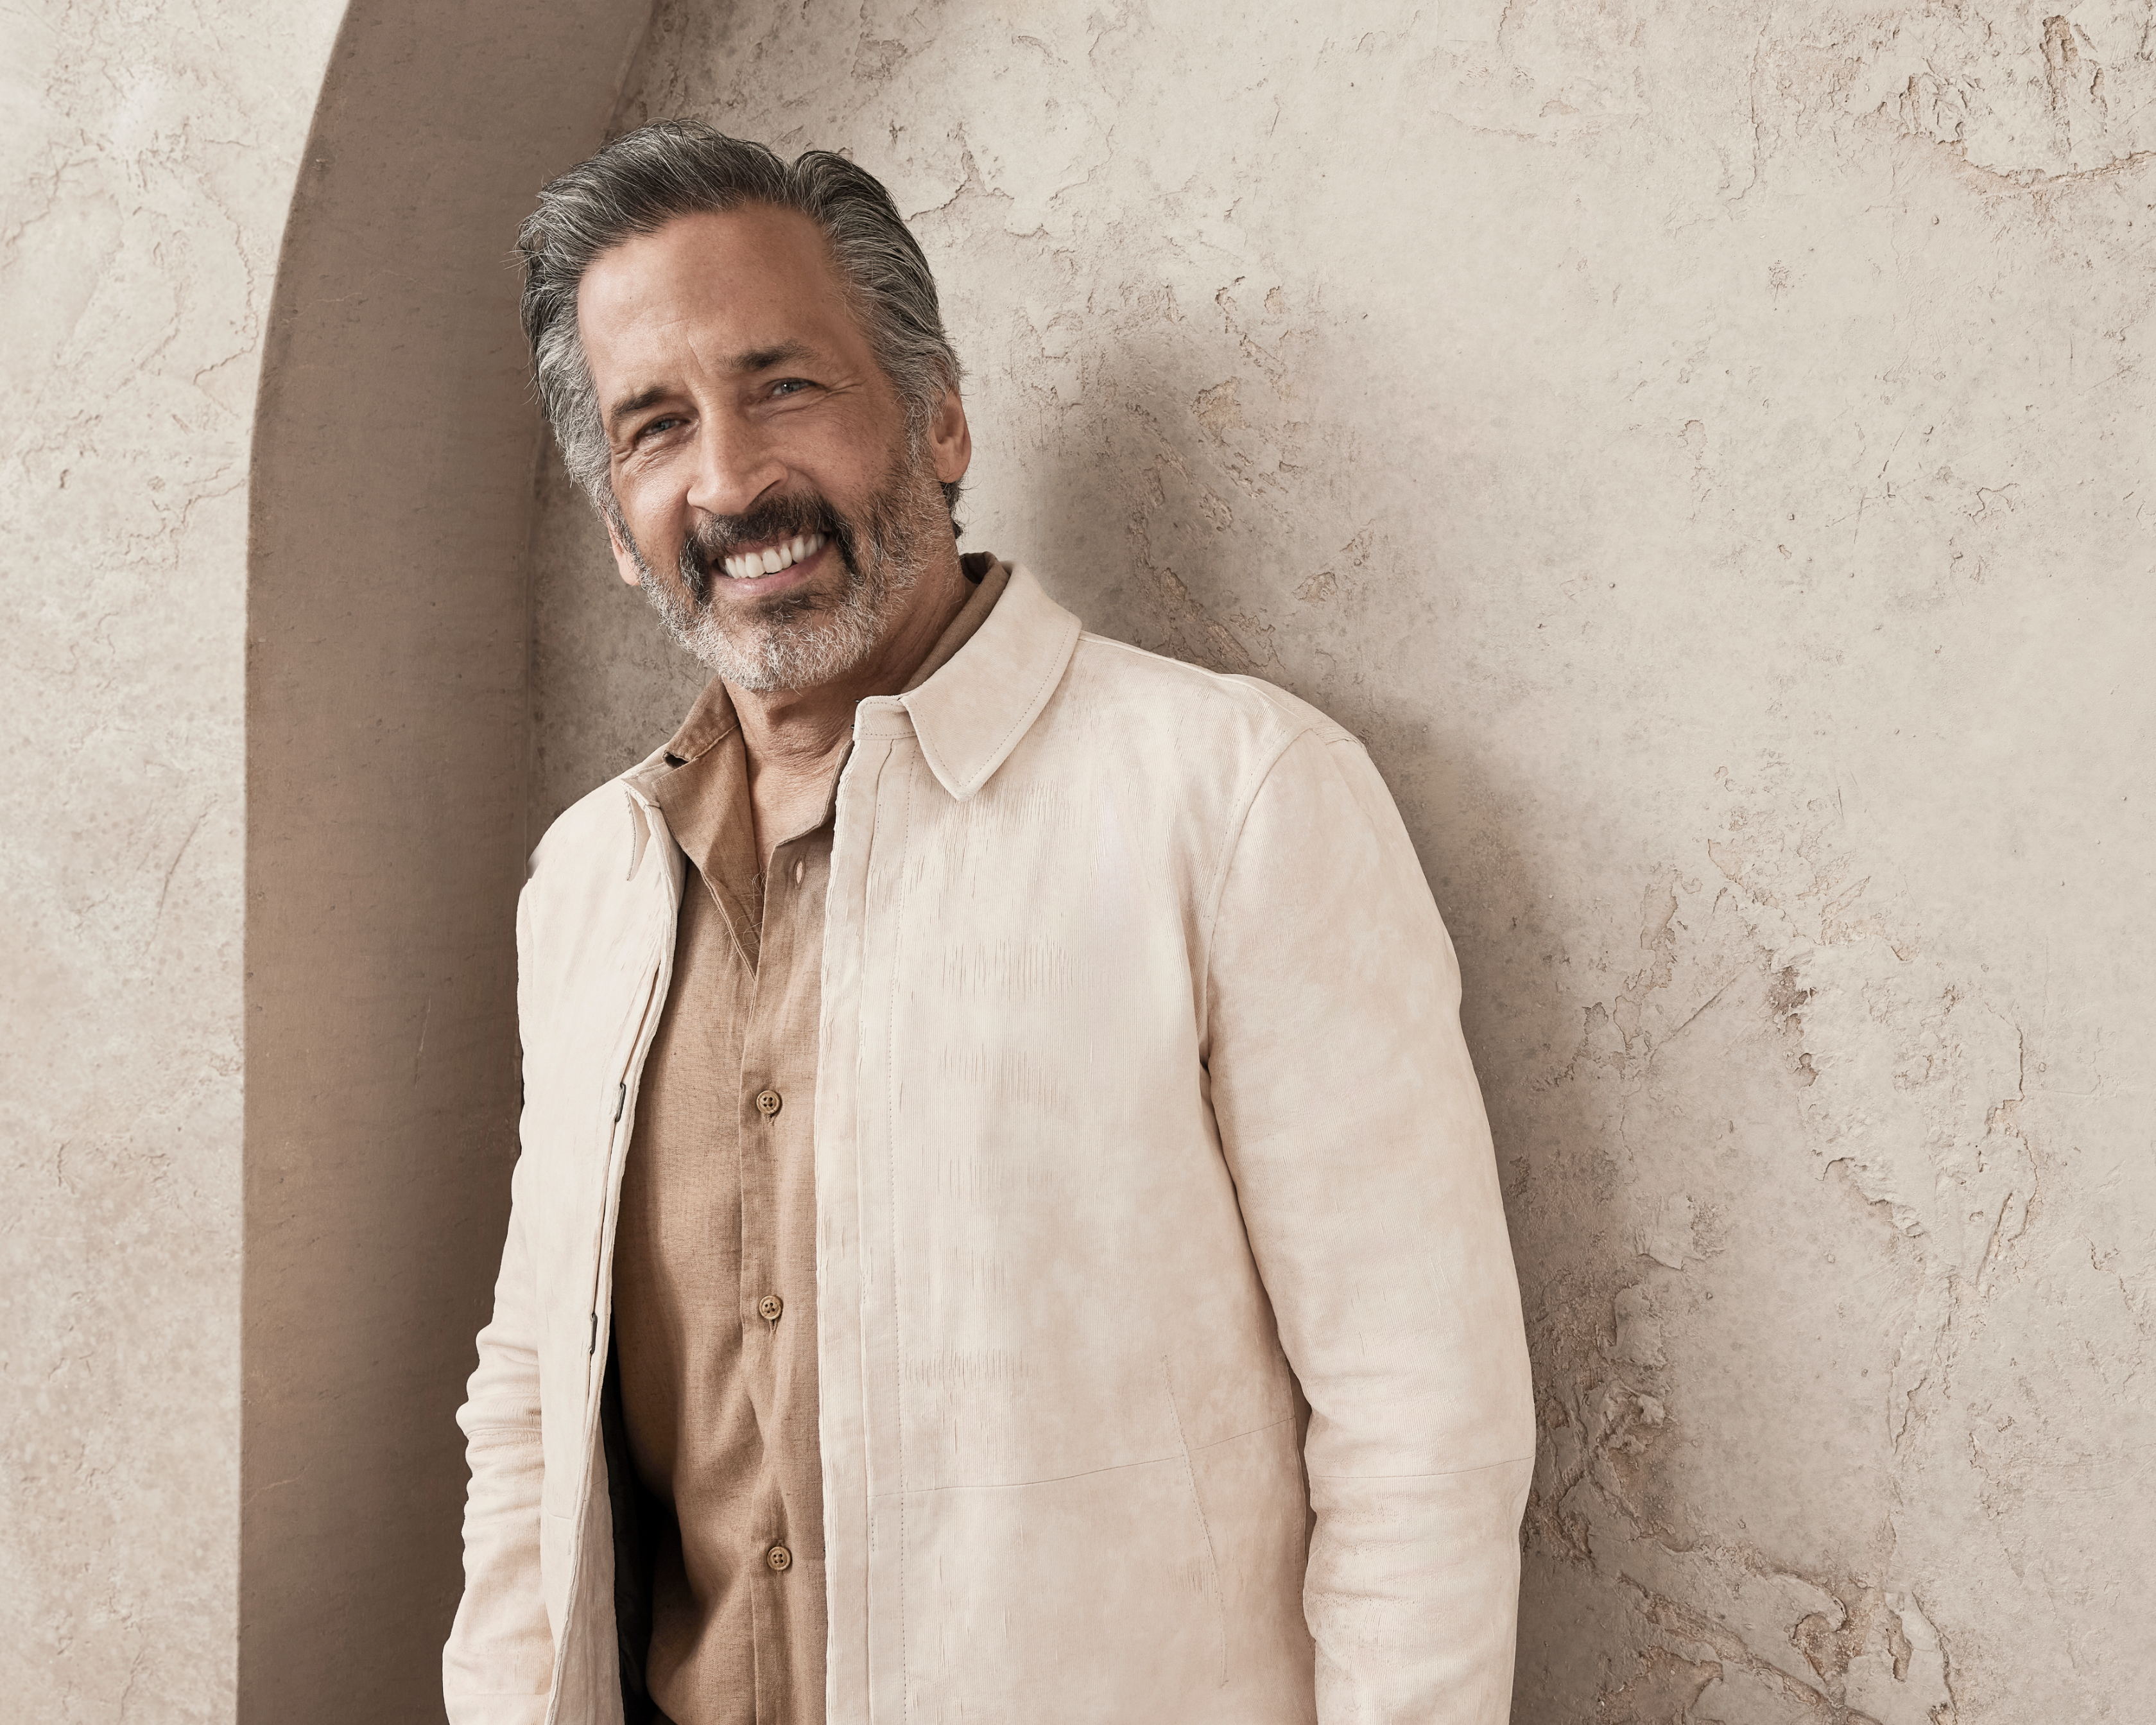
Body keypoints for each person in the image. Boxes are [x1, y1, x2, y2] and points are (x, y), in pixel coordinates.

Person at [444, 119, 1534, 1725]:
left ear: (940, 417)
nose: (734, 477)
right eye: (657, 426)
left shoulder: (1233, 798)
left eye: (785, 384)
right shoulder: (587, 885)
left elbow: (1421, 1434)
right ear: (619, 523)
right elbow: (533, 1405)